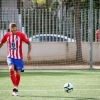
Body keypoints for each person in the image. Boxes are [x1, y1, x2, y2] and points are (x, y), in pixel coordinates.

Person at [0, 23, 31, 96]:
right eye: (12, 30)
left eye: (15, 30)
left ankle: (14, 90)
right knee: (11, 68)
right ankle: (15, 86)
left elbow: (29, 43)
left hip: (19, 57)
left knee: (18, 73)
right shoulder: (7, 35)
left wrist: (28, 53)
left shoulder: (21, 35)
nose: (14, 31)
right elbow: (1, 42)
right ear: (10, 29)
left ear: (16, 29)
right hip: (10, 56)